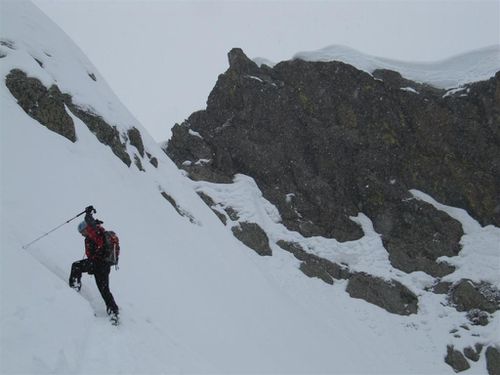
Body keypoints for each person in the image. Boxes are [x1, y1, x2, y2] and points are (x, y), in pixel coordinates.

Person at [69, 206, 119, 320]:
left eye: (82, 231)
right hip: (104, 266)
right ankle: (114, 312)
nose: (82, 234)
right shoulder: (97, 233)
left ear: (86, 229)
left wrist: (88, 215)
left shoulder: (95, 233)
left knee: (76, 266)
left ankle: (74, 287)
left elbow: (92, 228)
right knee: (104, 290)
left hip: (97, 264)